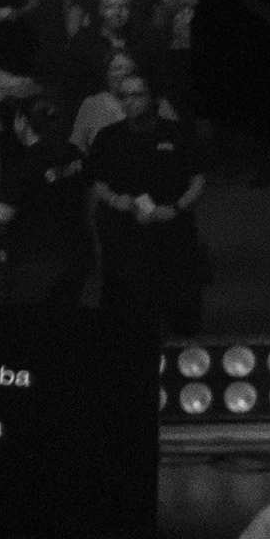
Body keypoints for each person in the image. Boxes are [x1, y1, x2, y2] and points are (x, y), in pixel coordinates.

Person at [83, 72, 202, 339]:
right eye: (123, 96)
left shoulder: (177, 133)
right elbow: (97, 182)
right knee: (128, 317)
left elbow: (198, 180)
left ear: (153, 98)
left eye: (137, 95)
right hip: (126, 241)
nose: (130, 101)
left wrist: (175, 209)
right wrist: (115, 199)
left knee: (181, 315)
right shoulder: (108, 137)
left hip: (173, 237)